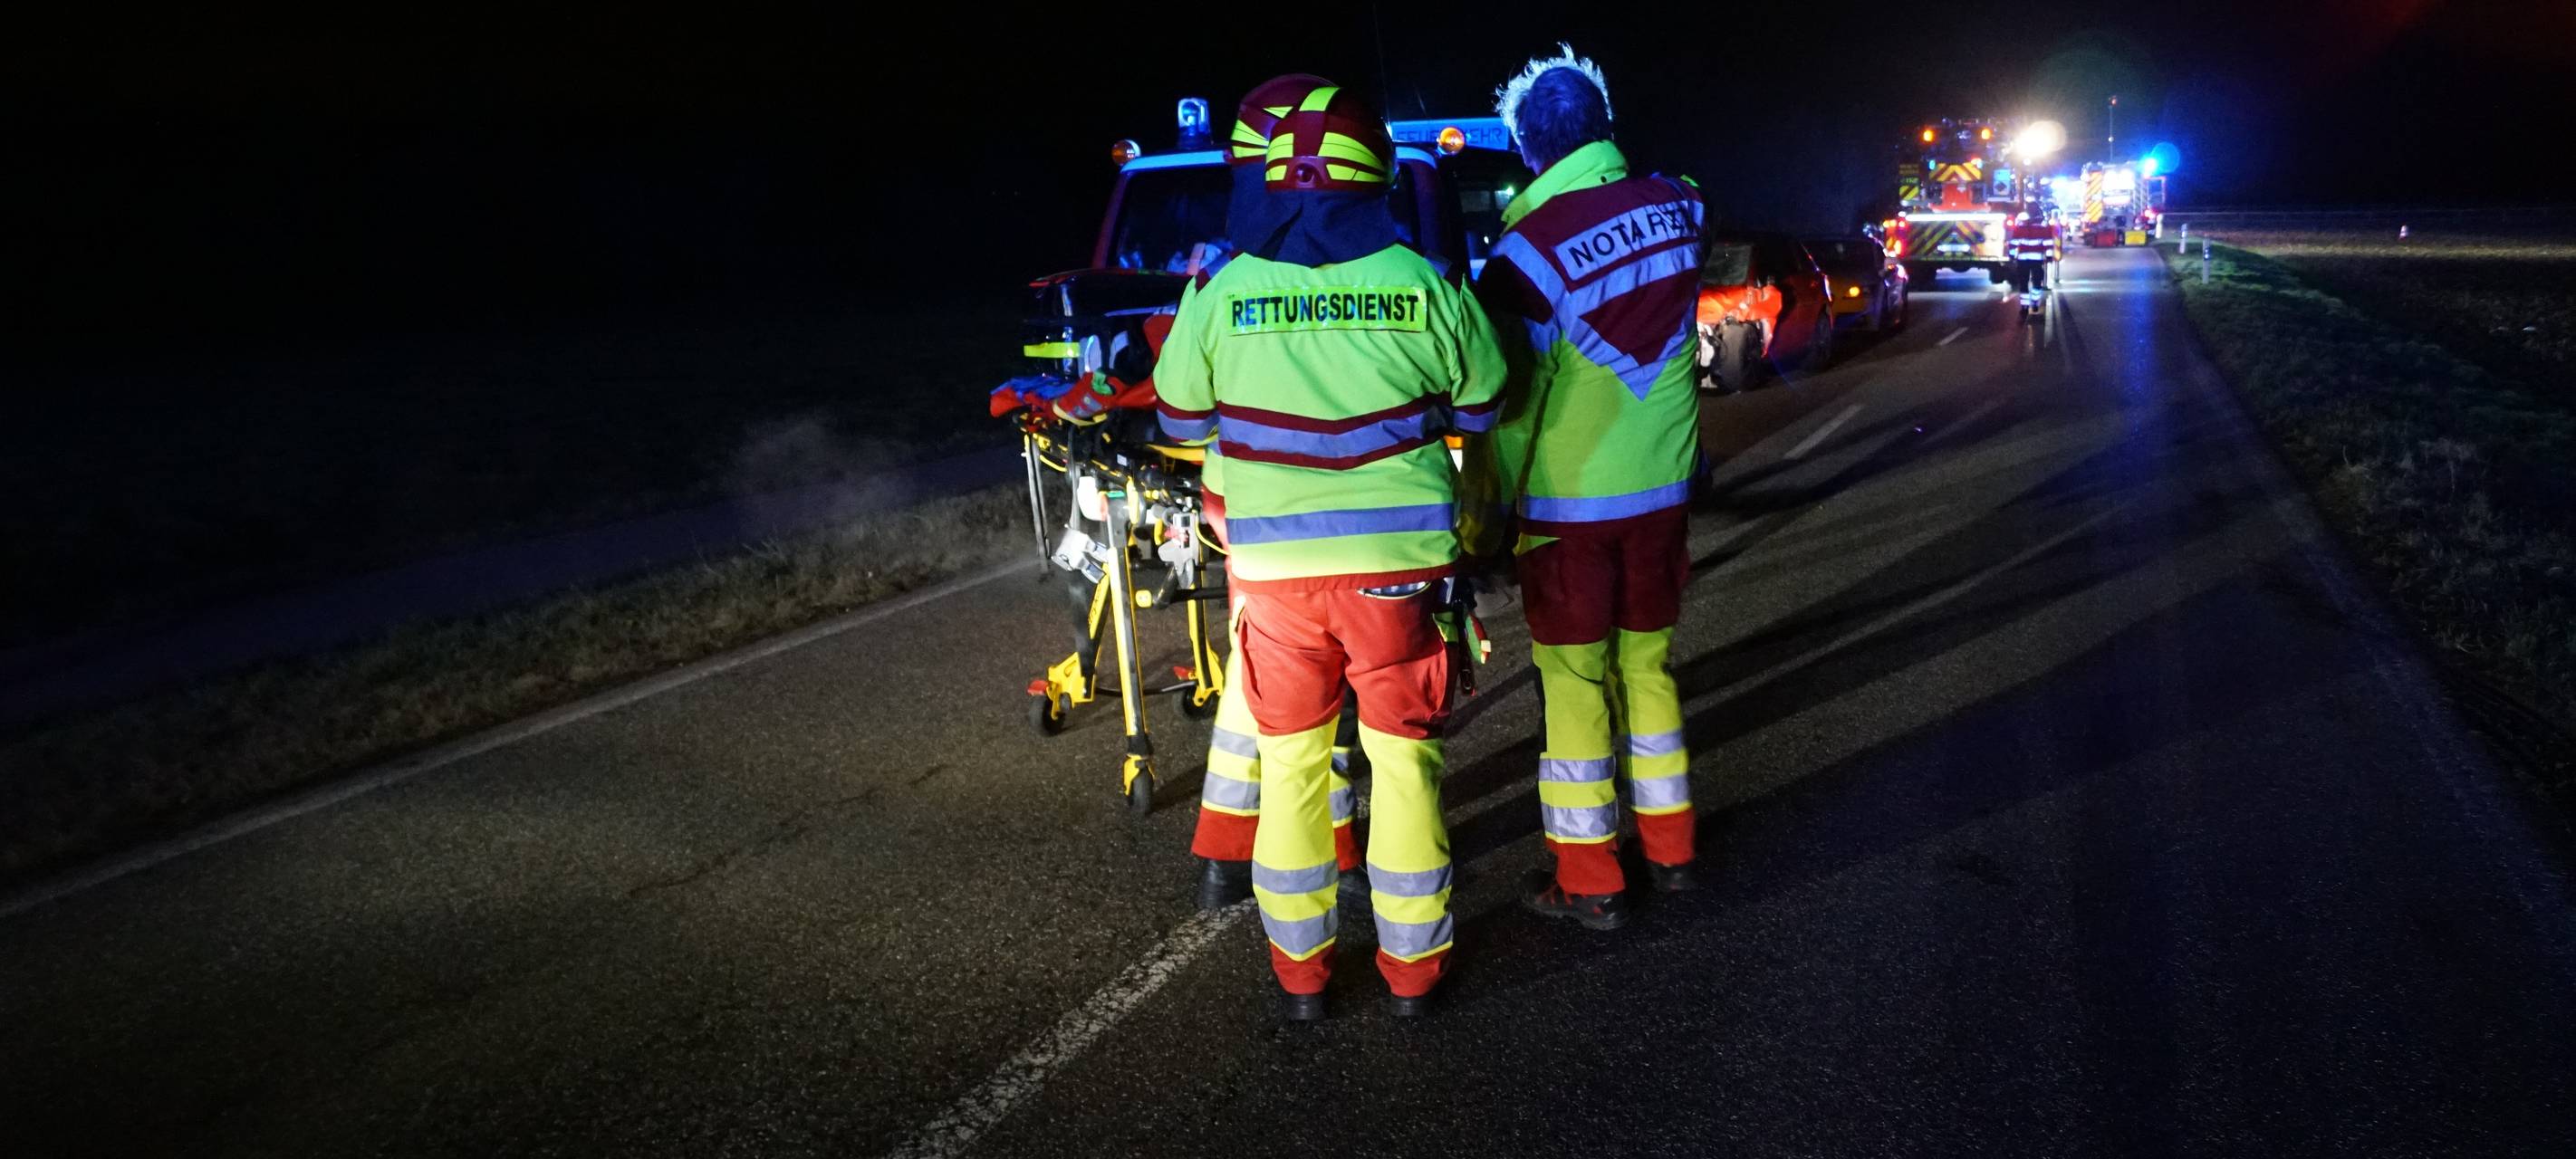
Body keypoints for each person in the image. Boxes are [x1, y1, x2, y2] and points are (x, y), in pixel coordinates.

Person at [1157, 82, 1505, 1020]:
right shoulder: (1426, 282)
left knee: (1292, 772)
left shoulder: (1222, 289)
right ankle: (1414, 975)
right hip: (1399, 575)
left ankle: (1302, 979)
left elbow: (1180, 418)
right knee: (1405, 766)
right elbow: (1485, 402)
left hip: (1276, 580)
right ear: (1375, 178)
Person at [1475, 44, 1705, 932]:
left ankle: (1590, 876)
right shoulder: (1683, 206)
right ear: (1605, 127)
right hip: (1663, 491)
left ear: (1528, 149)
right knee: (1646, 667)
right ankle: (1673, 846)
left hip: (1567, 509)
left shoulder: (1522, 257)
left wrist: (1487, 516)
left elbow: (1508, 404)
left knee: (1573, 684)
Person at [1182, 74, 1369, 910]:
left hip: (1246, 497)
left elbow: (1193, 397)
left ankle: (1228, 853)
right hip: (1312, 500)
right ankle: (1331, 849)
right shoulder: (1333, 255)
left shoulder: (1228, 266)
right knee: (1320, 688)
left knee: (1263, 680)